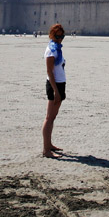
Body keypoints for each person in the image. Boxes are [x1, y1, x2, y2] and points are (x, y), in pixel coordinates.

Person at [42, 24, 67, 158]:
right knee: (49, 118)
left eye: (62, 36)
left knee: (53, 117)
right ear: (52, 35)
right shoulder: (51, 50)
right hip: (54, 86)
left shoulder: (57, 49)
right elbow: (49, 72)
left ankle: (49, 144)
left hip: (60, 84)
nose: (60, 39)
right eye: (58, 36)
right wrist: (56, 91)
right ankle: (46, 150)